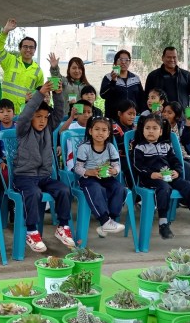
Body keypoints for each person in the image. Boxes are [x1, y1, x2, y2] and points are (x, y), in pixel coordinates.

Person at [13, 80, 75, 252]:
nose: (42, 120)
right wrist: (40, 93)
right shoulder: (23, 129)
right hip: (24, 177)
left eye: (44, 117)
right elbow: (26, 114)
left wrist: (57, 93)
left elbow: (59, 112)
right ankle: (31, 231)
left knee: (64, 190)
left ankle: (63, 226)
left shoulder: (48, 128)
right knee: (34, 193)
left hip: (44, 177)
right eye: (38, 116)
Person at [132, 114, 190, 239]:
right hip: (152, 179)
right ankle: (163, 223)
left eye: (154, 128)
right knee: (164, 188)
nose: (150, 131)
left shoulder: (166, 146)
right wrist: (151, 174)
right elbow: (137, 166)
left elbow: (176, 162)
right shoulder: (140, 147)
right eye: (147, 128)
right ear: (143, 130)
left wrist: (177, 172)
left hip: (169, 176)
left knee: (188, 186)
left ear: (161, 131)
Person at [75, 115, 126, 236]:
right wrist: (89, 172)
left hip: (107, 177)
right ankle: (104, 220)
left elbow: (116, 165)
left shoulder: (110, 147)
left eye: (104, 130)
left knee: (120, 189)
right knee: (96, 189)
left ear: (108, 133)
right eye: (97, 129)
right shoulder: (84, 147)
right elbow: (77, 167)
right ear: (90, 131)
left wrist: (114, 171)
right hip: (89, 178)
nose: (100, 133)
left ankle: (110, 220)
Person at [0, 20, 44, 113]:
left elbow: (40, 93)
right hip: (6, 111)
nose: (28, 49)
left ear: (35, 50)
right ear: (20, 49)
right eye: (25, 46)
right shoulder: (10, 61)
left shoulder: (38, 71)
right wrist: (5, 32)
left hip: (24, 112)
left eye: (31, 47)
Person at [100, 49, 145, 120]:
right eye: (120, 60)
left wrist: (141, 113)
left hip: (132, 118)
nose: (123, 62)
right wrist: (113, 81)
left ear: (129, 62)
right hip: (114, 118)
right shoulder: (108, 78)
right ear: (115, 63)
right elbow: (103, 95)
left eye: (126, 60)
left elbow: (141, 98)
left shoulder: (135, 78)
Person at [59, 101, 93, 170]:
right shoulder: (71, 126)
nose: (86, 115)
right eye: (83, 112)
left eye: (89, 112)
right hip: (73, 161)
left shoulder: (95, 128)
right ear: (77, 114)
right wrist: (71, 118)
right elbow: (61, 133)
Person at [112, 99, 137, 184]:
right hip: (119, 159)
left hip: (133, 157)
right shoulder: (115, 128)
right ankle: (133, 191)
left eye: (134, 114)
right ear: (120, 114)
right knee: (131, 166)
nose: (132, 117)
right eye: (129, 114)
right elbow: (121, 146)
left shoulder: (134, 127)